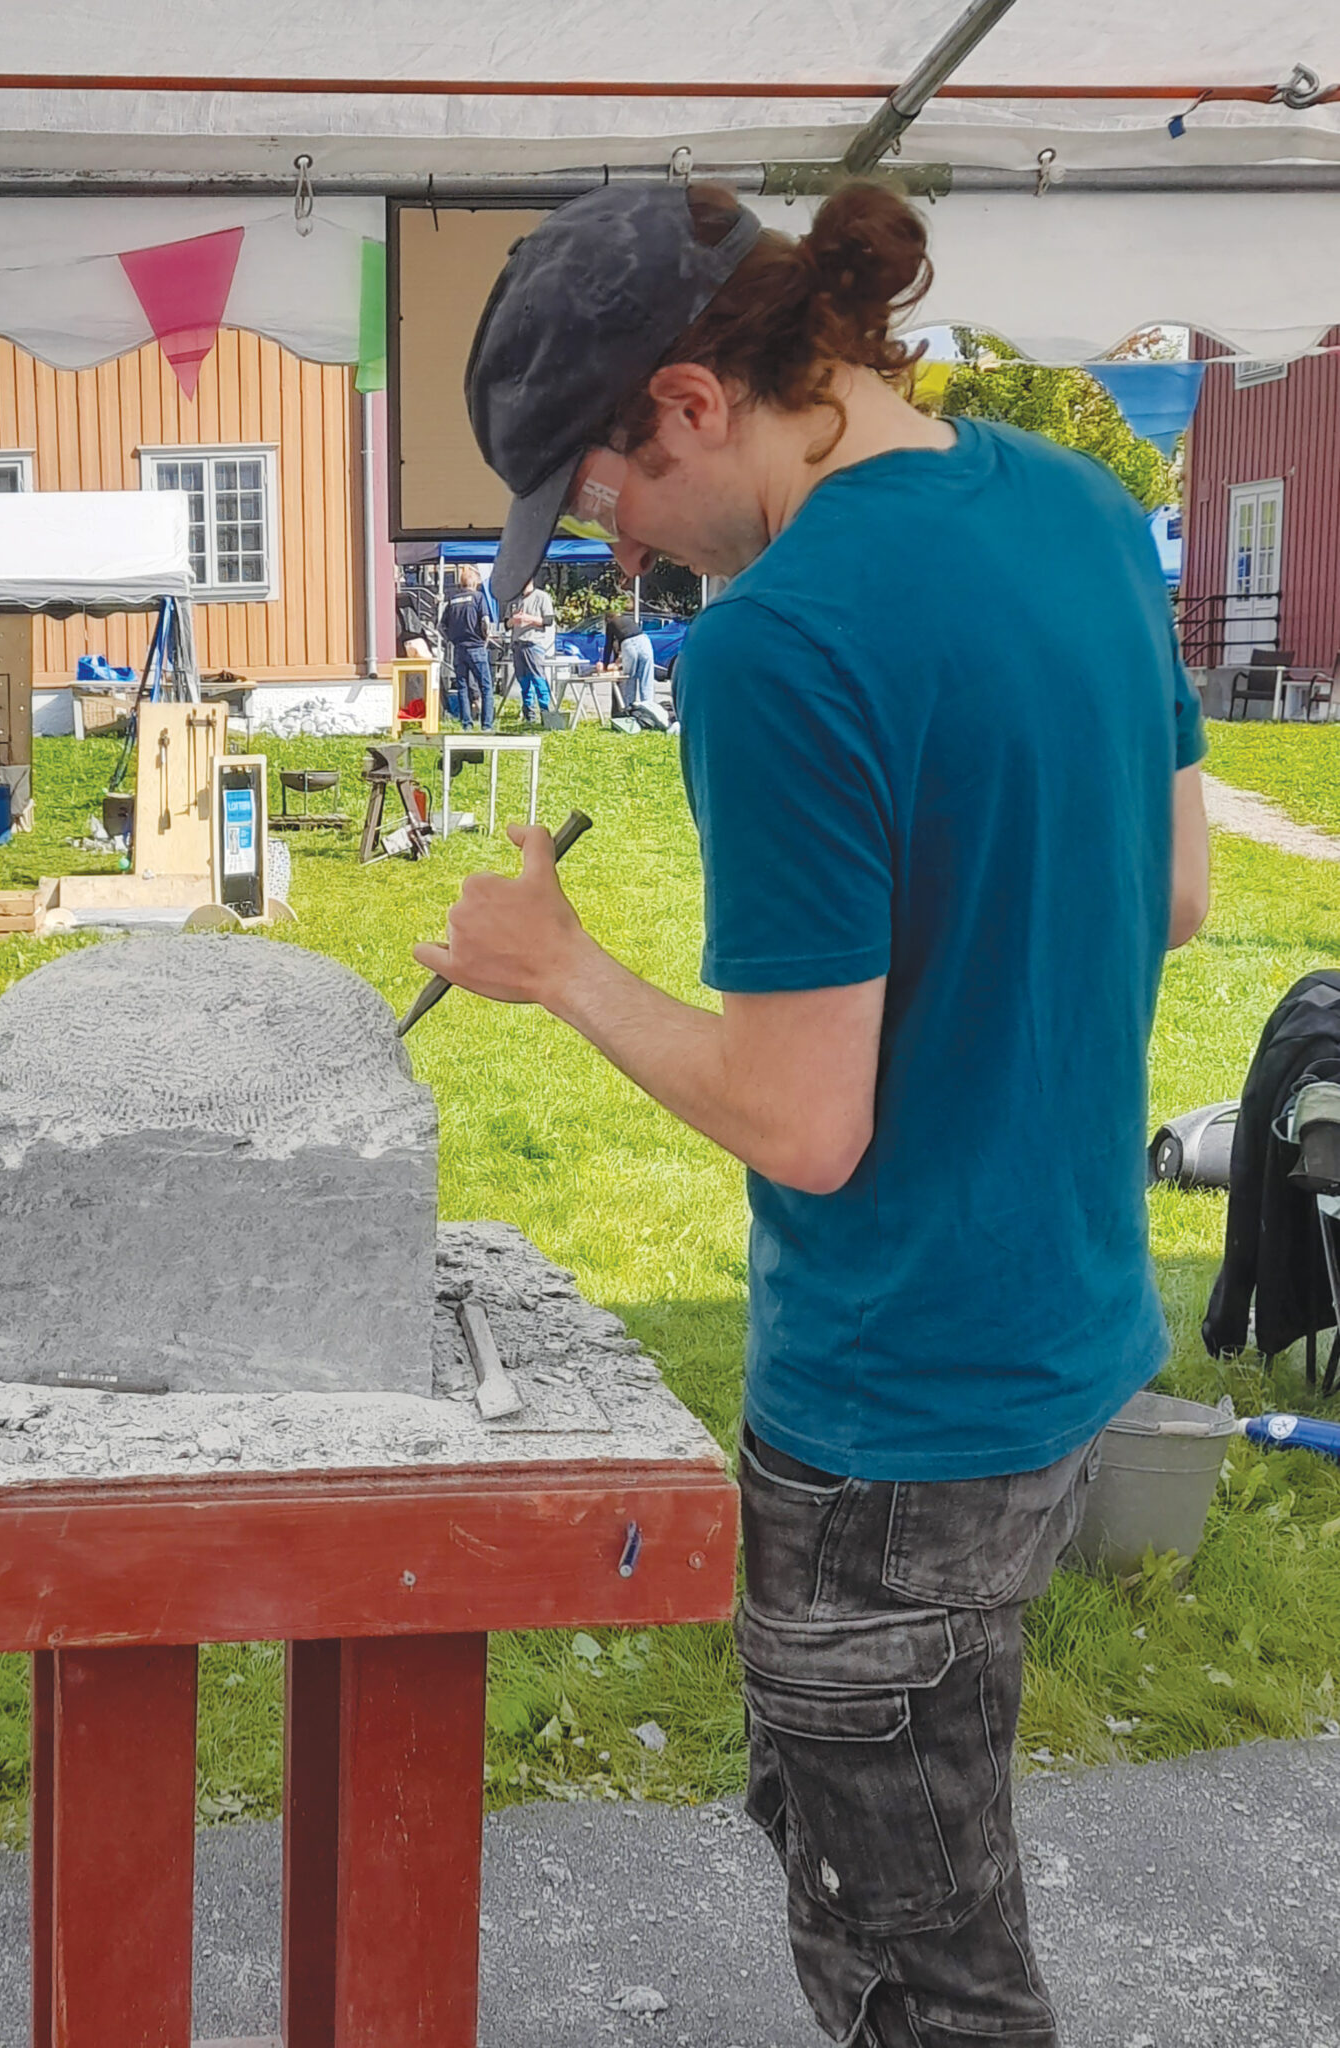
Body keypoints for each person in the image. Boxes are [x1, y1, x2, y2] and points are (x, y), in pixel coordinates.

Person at [422, 178, 1209, 2048]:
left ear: (690, 400)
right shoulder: (1084, 510)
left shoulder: (780, 647)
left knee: (915, 1963)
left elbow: (803, 1123)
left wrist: (563, 966)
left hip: (893, 1406)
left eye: (600, 493)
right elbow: (1173, 892)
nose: (615, 552)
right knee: (911, 1840)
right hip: (1066, 1331)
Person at [439, 564, 496, 731]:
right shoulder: (478, 598)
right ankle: (486, 725)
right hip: (476, 647)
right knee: (486, 687)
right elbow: (485, 622)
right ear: (475, 582)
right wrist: (485, 638)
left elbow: (441, 626)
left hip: (459, 649)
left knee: (462, 688)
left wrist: (450, 639)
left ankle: (467, 724)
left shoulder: (452, 600)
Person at [505, 568, 556, 724]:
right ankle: (529, 715)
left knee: (538, 679)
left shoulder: (541, 597)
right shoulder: (514, 600)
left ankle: (546, 715)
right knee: (523, 681)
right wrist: (513, 621)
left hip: (533, 644)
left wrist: (529, 619)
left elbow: (548, 621)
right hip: (517, 644)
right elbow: (506, 623)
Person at [598, 607, 655, 714]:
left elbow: (608, 645)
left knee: (629, 678)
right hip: (644, 641)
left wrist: (605, 666)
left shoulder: (611, 624)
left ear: (607, 619)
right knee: (646, 677)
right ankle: (649, 711)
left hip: (629, 644)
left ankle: (629, 710)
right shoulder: (628, 619)